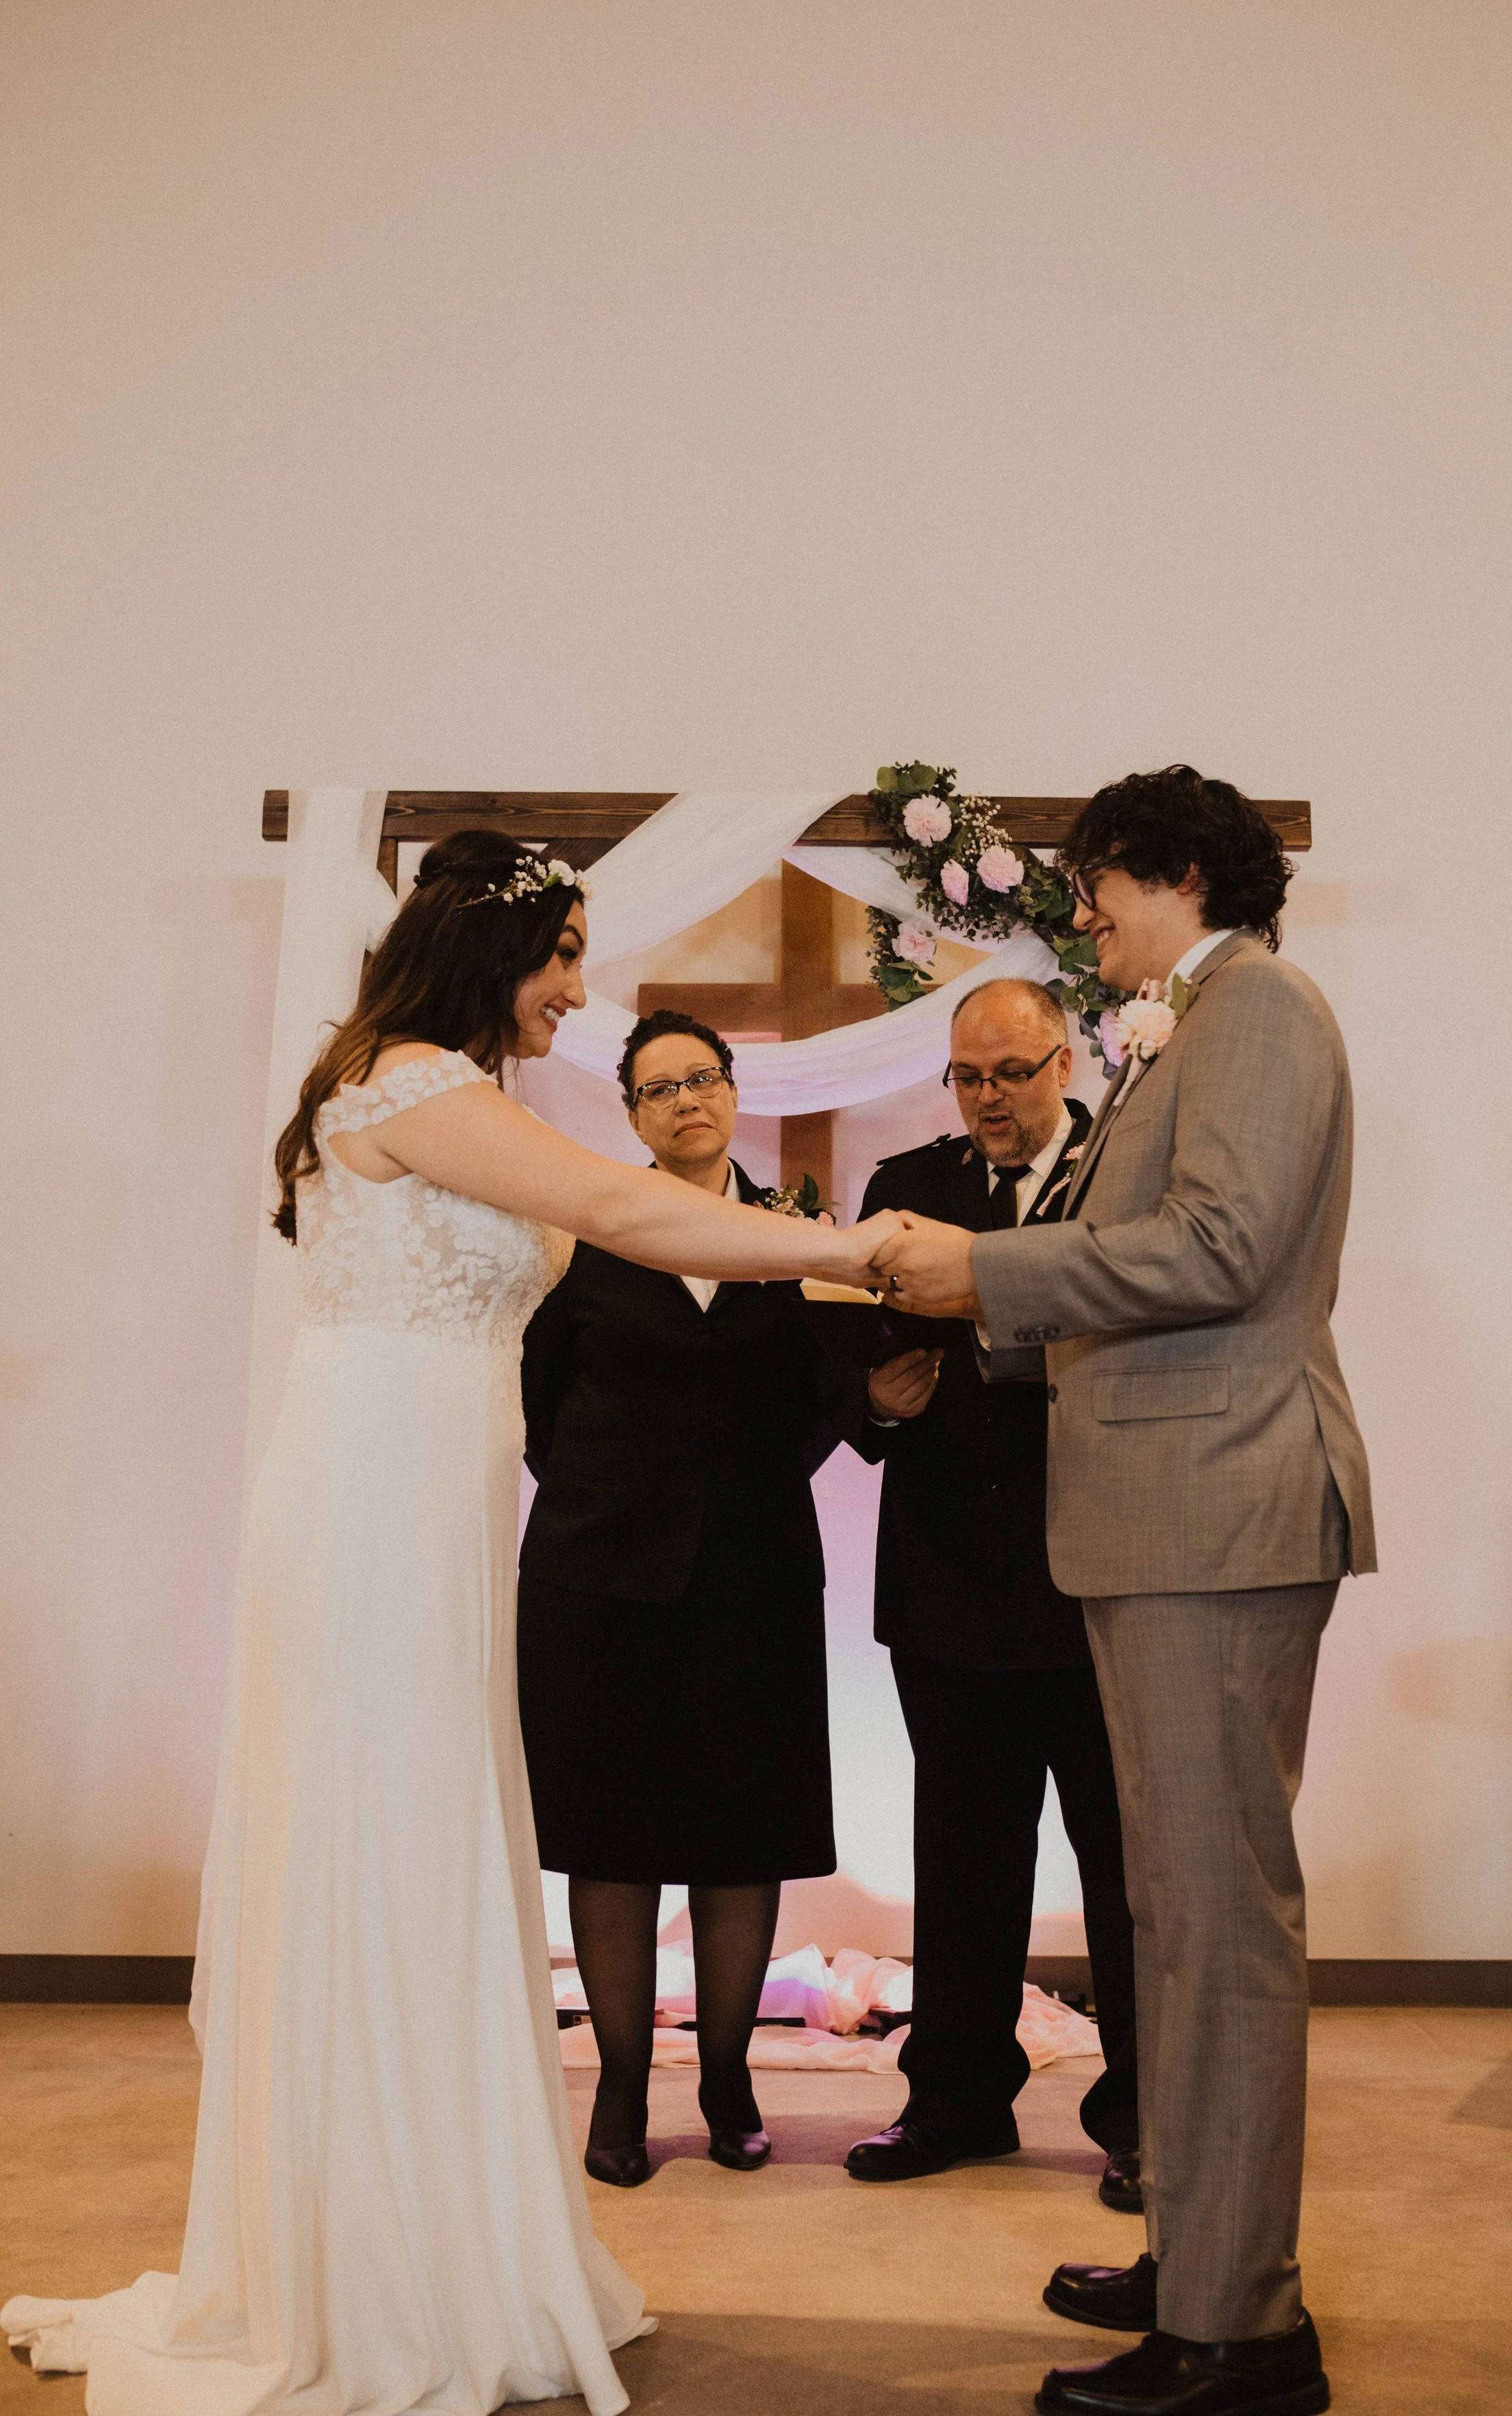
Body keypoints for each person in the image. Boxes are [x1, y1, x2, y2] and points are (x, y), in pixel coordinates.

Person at [3, 833, 897, 2416]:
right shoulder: (411, 1086)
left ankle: (438, 2229)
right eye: (561, 953)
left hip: (425, 1505)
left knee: (430, 1840)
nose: (572, 987)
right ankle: (371, 2266)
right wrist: (856, 1249)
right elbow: (646, 1219)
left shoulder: (437, 1091)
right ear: (490, 951)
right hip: (371, 1509)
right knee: (385, 1835)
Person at [874, 767, 1376, 2416]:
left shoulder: (1260, 1008)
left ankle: (1237, 2337)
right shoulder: (1199, 1014)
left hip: (1215, 1510)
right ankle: (1196, 2254)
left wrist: (984, 1273)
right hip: (1173, 1512)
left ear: (1166, 871)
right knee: (1170, 1921)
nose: (1082, 921)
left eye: (1093, 889)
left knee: (1217, 1931)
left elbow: (1221, 1247)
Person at [517, 1008, 937, 2189]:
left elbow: (827, 1394)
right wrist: (623, 1496)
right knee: (612, 1840)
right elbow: (540, 1408)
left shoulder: (794, 1236)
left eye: (704, 1078)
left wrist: (887, 1411)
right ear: (635, 1115)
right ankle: (618, 2089)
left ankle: (729, 2079)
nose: (688, 1100)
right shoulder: (589, 1235)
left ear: (733, 1092)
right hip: (599, 1580)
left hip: (753, 1574)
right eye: (661, 1088)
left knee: (742, 1837)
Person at [840, 977, 1141, 2206]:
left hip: (1098, 1579)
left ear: (1064, 1063)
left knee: (1125, 1869)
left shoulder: (1118, 1181)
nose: (990, 1100)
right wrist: (874, 1400)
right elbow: (850, 1349)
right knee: (959, 1861)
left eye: (1012, 1073)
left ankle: (1144, 2118)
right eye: (969, 1077)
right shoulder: (905, 1191)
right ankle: (955, 2101)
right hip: (950, 1579)